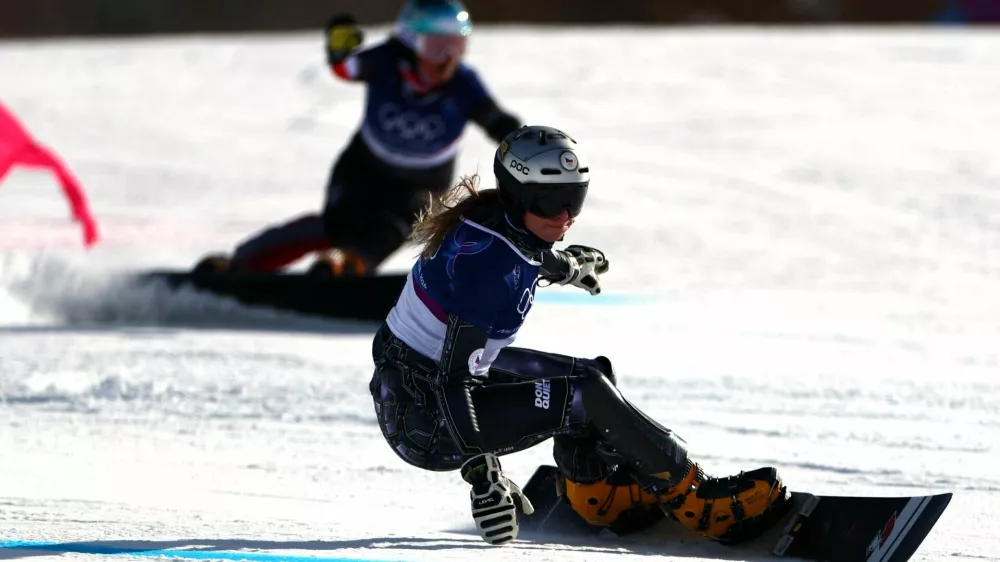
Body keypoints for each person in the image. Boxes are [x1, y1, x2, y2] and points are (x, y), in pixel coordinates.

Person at [369, 125, 789, 546]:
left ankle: (594, 493)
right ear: (517, 194)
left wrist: (568, 267)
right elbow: (453, 380)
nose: (565, 216)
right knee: (583, 395)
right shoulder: (487, 269)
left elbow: (529, 253)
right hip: (424, 417)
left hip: (427, 376)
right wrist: (484, 476)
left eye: (575, 199)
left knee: (594, 377)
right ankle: (698, 501)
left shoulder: (505, 221)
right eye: (552, 201)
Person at [196, 0, 520, 276]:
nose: (447, 59)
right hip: (365, 167)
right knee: (338, 224)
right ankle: (241, 263)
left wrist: (517, 141)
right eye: (436, 47)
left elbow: (492, 118)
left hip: (422, 183)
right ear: (408, 41)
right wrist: (339, 51)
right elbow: (348, 68)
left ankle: (348, 265)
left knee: (397, 225)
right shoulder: (386, 61)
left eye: (457, 46)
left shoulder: (463, 83)